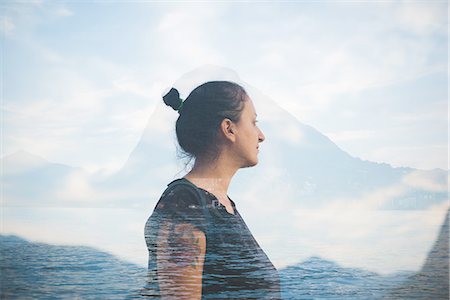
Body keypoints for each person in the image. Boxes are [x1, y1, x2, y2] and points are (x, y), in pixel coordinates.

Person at [141, 81, 281, 299]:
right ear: (229, 129)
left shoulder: (221, 205)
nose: (261, 135)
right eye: (253, 122)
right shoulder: (185, 203)